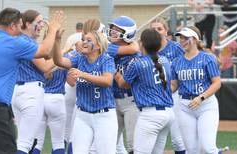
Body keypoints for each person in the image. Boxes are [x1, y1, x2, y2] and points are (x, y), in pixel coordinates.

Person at [0, 7, 63, 154]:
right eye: (19, 26)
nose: (20, 31)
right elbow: (44, 51)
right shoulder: (12, 42)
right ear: (12, 26)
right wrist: (53, 29)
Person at [53, 26, 118, 154]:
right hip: (82, 115)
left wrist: (82, 74)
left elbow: (107, 81)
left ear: (98, 46)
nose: (83, 42)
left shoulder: (106, 59)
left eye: (88, 40)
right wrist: (57, 40)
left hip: (104, 115)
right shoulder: (79, 58)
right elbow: (58, 61)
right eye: (83, 39)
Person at [11, 9, 64, 154]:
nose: (42, 25)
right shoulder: (24, 40)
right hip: (30, 92)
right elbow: (46, 66)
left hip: (21, 91)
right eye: (38, 22)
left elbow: (47, 62)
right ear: (27, 23)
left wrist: (57, 40)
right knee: (25, 143)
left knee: (26, 141)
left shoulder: (22, 40)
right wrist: (64, 51)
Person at [114, 28, 174, 153]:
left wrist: (114, 71)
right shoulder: (165, 60)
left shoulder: (138, 63)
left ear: (142, 43)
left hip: (150, 114)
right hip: (168, 113)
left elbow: (122, 83)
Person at [172, 26, 222, 153]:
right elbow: (173, 86)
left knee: (207, 147)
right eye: (181, 38)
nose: (182, 41)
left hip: (206, 105)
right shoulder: (176, 62)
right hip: (184, 106)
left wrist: (201, 97)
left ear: (194, 39)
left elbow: (217, 83)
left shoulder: (207, 58)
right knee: (191, 149)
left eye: (185, 38)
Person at [150, 17, 186, 154]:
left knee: (177, 139)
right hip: (155, 96)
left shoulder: (176, 48)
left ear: (166, 31)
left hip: (174, 94)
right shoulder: (147, 49)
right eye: (153, 29)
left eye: (159, 28)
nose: (157, 32)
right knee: (155, 138)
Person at [106, 15, 140, 154]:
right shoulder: (110, 49)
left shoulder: (135, 57)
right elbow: (132, 48)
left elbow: (125, 83)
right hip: (112, 100)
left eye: (117, 29)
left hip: (131, 101)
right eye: (112, 29)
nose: (113, 32)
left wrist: (112, 70)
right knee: (108, 141)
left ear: (127, 33)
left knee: (133, 144)